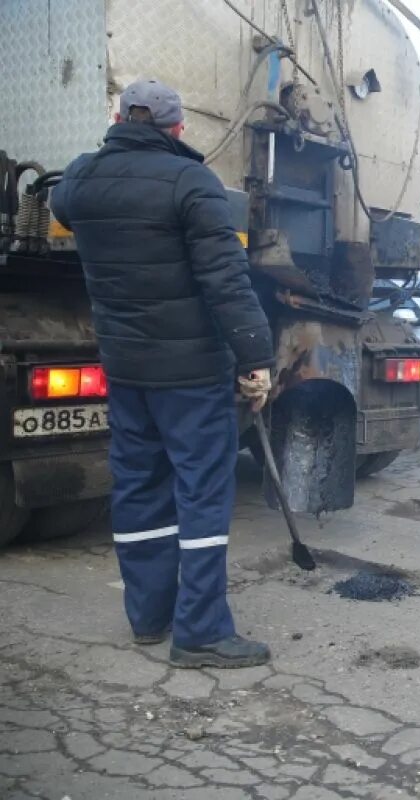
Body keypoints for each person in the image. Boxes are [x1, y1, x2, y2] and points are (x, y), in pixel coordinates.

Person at [51, 79, 276, 669]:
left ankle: (150, 615)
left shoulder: (80, 180)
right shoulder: (190, 183)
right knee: (201, 493)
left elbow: (58, 203)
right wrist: (256, 356)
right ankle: (199, 631)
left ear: (120, 118)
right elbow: (226, 279)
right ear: (175, 129)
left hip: (126, 369)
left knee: (138, 485)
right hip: (191, 374)